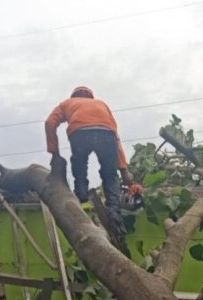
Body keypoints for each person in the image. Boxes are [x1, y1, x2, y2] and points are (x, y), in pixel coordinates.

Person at [44, 86, 141, 222]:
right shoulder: (102, 104)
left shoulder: (66, 103)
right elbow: (116, 138)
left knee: (79, 165)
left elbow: (49, 122)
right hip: (106, 133)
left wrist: (54, 153)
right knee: (110, 173)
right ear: (91, 97)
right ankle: (114, 211)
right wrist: (124, 171)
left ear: (74, 96)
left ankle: (82, 197)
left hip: (79, 133)